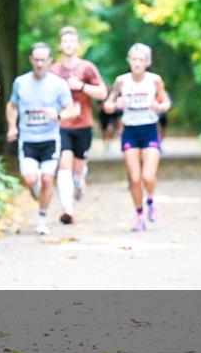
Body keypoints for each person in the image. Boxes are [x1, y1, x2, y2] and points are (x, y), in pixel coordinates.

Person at [7, 43, 79, 236]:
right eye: (36, 59)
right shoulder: (20, 82)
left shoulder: (58, 84)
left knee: (47, 180)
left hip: (50, 139)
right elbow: (12, 105)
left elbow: (71, 109)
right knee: (31, 180)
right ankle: (38, 194)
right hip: (28, 140)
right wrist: (12, 126)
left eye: (43, 60)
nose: (39, 63)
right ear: (31, 60)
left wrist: (58, 115)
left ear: (50, 61)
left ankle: (41, 219)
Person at [103, 43, 171, 232]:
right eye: (134, 59)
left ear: (147, 62)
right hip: (130, 132)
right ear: (129, 61)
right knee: (134, 179)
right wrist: (116, 104)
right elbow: (107, 105)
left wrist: (160, 107)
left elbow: (165, 102)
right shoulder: (121, 81)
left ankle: (151, 201)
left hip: (149, 129)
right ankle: (139, 217)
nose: (137, 63)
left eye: (141, 60)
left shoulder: (155, 80)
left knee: (148, 176)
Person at [50, 27, 108, 223]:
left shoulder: (87, 68)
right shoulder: (54, 70)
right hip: (62, 125)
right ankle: (68, 210)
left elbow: (102, 93)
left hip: (83, 124)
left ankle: (80, 181)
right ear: (60, 45)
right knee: (64, 163)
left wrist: (81, 86)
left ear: (77, 45)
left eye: (71, 41)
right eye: (64, 41)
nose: (68, 44)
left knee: (78, 167)